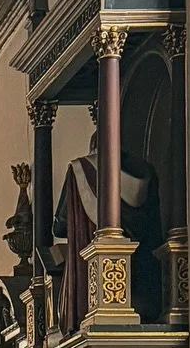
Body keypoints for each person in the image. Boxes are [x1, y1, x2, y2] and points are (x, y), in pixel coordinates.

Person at [51, 129, 162, 328]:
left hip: (97, 289)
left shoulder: (81, 169)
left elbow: (59, 226)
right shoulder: (146, 172)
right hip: (146, 281)